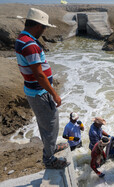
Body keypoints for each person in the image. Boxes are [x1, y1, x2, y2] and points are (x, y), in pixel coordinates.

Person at [15, 8, 69, 169]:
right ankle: (49, 159)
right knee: (51, 124)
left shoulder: (22, 38)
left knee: (45, 124)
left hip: (35, 90)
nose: (44, 30)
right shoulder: (30, 45)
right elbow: (39, 75)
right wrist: (54, 94)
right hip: (40, 92)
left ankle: (51, 148)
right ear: (38, 26)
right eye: (44, 27)